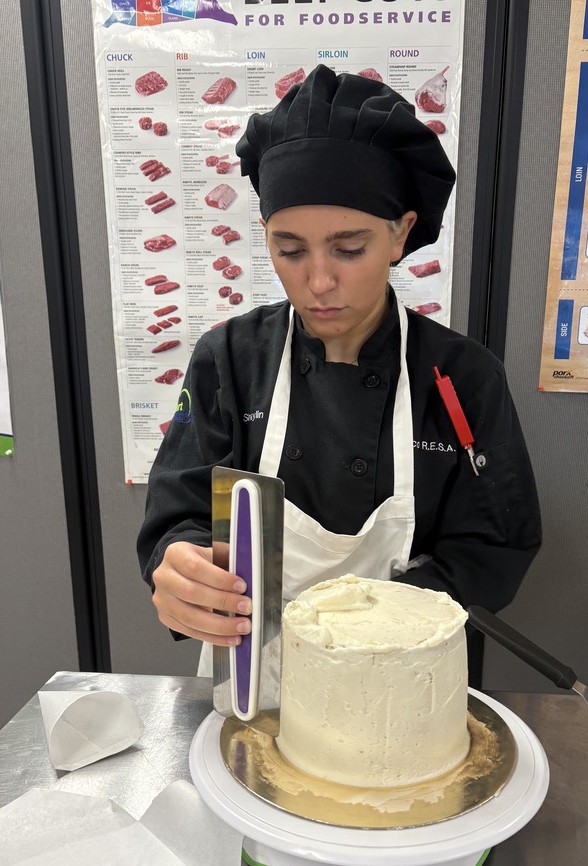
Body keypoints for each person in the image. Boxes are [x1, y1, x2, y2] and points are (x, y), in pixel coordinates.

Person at [137, 65, 541, 665]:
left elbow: (496, 547)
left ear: (400, 234)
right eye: (289, 249)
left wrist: (365, 632)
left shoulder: (462, 376)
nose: (319, 281)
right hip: (257, 672)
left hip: (407, 667)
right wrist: (182, 565)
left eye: (350, 249)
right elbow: (184, 512)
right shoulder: (229, 359)